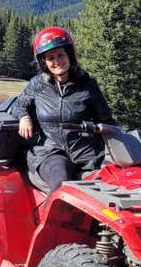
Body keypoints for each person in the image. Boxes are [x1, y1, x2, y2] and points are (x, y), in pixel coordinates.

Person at [10, 27, 116, 193]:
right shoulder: (38, 85)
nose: (57, 61)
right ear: (43, 62)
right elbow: (18, 104)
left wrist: (120, 142)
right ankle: (54, 219)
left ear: (70, 55)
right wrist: (23, 116)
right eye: (50, 58)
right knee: (62, 183)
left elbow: (107, 121)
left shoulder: (88, 85)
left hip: (87, 155)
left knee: (109, 190)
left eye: (61, 55)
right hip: (50, 152)